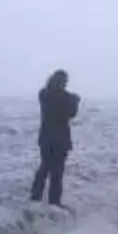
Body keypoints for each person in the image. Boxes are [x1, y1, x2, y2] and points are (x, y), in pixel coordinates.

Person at [30, 69, 80, 208]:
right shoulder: (66, 97)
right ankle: (54, 202)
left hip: (46, 138)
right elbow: (70, 114)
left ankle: (35, 197)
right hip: (60, 140)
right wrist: (75, 101)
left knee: (44, 167)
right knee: (57, 173)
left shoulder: (44, 94)